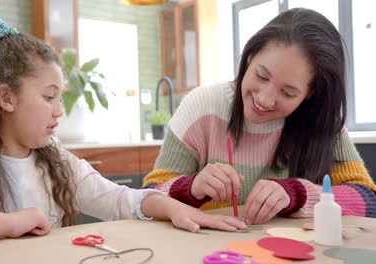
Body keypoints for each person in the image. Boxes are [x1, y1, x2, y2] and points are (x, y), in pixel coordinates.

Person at [0, 10, 247, 256]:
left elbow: (118, 199)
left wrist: (174, 208)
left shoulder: (53, 160)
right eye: (48, 96)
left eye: (60, 97)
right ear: (6, 98)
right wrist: (9, 223)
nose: (59, 110)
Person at [143, 8, 376, 225]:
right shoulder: (202, 106)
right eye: (262, 76)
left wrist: (297, 194)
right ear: (250, 56)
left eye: (288, 92)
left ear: (310, 93)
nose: (264, 99)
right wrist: (191, 187)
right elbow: (149, 195)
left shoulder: (321, 120)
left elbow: (368, 200)